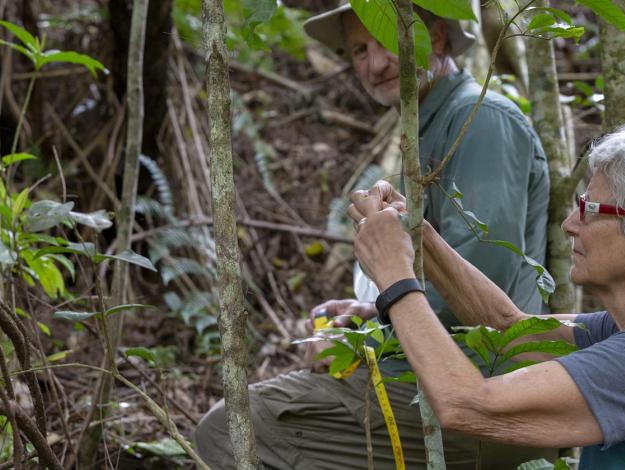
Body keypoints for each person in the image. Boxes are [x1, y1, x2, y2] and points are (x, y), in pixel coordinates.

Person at [194, 2, 553, 469]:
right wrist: (368, 315)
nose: (375, 64)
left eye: (386, 39)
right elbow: (440, 281)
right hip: (439, 379)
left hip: (486, 393)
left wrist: (373, 332)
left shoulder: (480, 120)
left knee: (228, 429)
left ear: (438, 37)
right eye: (359, 50)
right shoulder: (426, 126)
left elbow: (487, 297)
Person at [349, 123, 625, 469]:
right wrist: (417, 235)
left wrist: (394, 275)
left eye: (590, 208)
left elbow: (465, 404)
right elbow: (512, 329)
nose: (571, 224)